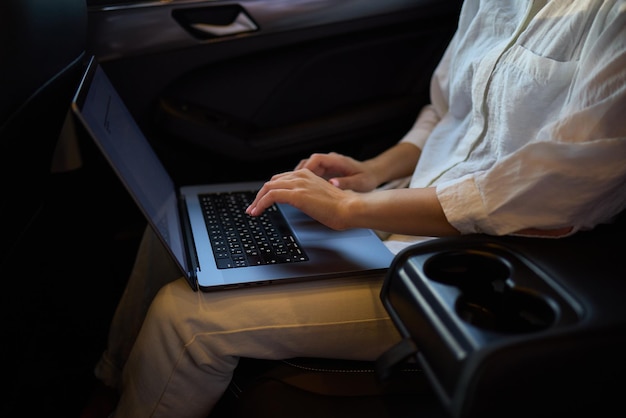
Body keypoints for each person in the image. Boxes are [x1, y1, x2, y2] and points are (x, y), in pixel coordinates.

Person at [95, 1, 626, 417]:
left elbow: (564, 191)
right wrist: (374, 170)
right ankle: (118, 388)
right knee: (180, 229)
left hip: (466, 266)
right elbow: (446, 113)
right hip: (393, 203)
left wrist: (356, 207)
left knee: (183, 317)